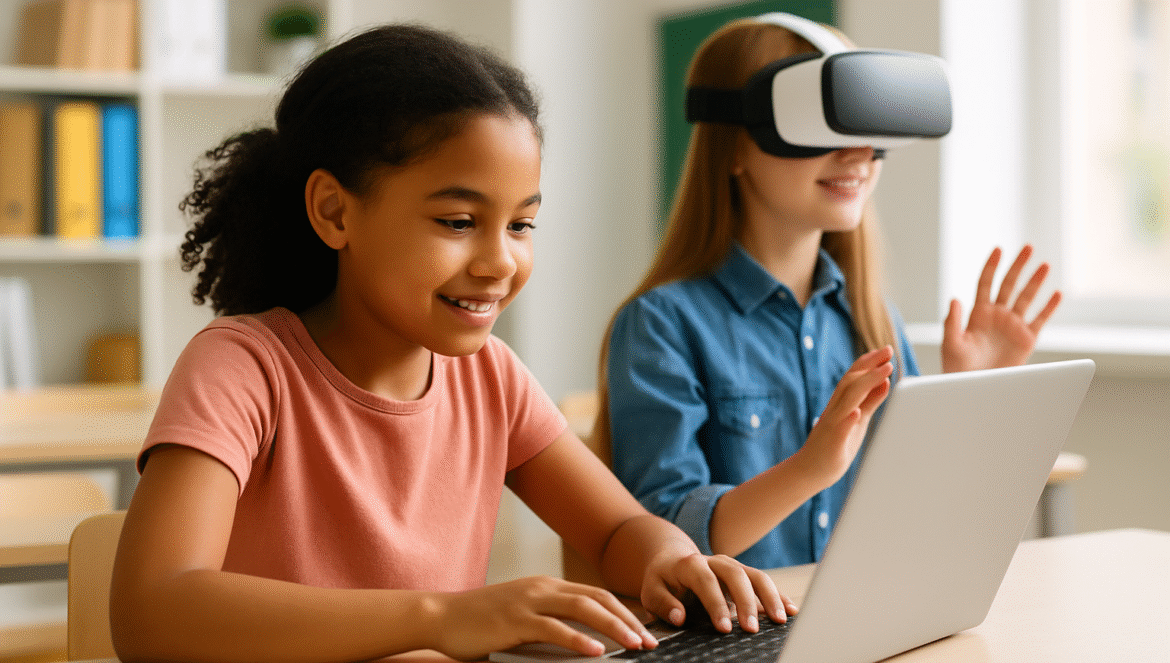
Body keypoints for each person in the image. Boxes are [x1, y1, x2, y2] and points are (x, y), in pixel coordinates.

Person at [108, 24, 797, 663]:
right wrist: (441, 615)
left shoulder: (492, 376)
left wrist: (674, 558)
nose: (500, 262)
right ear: (334, 211)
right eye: (460, 221)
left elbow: (616, 531)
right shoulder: (243, 366)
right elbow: (152, 609)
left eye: (521, 225)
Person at [595, 15, 1062, 571]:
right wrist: (809, 469)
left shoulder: (870, 321)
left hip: (865, 609)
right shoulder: (661, 325)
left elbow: (916, 513)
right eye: (823, 126)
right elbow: (663, 541)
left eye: (868, 126)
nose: (858, 153)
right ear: (734, 147)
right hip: (737, 619)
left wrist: (968, 400)